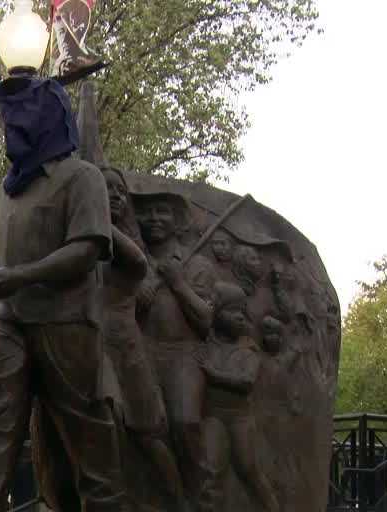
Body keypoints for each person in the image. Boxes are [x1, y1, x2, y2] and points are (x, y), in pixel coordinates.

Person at [0, 77, 125, 512]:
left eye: (13, 122)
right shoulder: (7, 189)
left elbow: (88, 248)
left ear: (40, 122)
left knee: (91, 445)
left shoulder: (82, 179)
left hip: (67, 322)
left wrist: (18, 276)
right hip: (10, 318)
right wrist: (7, 286)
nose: (6, 132)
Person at [100, 168, 185, 507]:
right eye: (106, 190)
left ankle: (178, 500)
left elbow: (141, 277)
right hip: (92, 344)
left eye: (120, 191)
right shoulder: (78, 236)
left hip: (126, 342)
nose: (116, 196)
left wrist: (146, 290)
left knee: (148, 432)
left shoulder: (135, 245)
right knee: (107, 421)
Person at [134, 192, 216, 512]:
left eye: (162, 211)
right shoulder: (136, 261)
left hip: (184, 354)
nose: (154, 218)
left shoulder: (198, 265)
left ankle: (203, 498)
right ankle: (170, 499)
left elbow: (205, 321)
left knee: (184, 422)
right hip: (142, 352)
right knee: (145, 428)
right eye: (147, 212)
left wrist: (178, 282)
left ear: (177, 220)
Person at [197, 282, 280, 511]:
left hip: (239, 418)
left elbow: (246, 382)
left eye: (243, 312)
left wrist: (214, 374)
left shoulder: (248, 347)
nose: (240, 317)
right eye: (233, 311)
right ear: (217, 313)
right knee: (209, 473)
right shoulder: (206, 342)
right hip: (213, 416)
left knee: (248, 469)